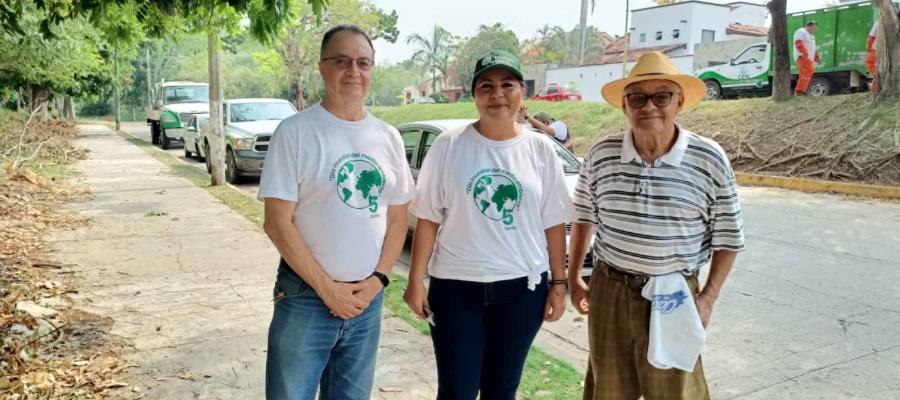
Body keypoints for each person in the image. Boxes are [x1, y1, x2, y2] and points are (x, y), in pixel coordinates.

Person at [567, 51, 745, 400]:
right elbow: (584, 215)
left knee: (675, 391)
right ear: (625, 106)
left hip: (673, 294)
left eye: (662, 96)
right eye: (637, 97)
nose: (649, 106)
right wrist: (574, 277)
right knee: (608, 389)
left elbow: (729, 238)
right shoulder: (602, 154)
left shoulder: (708, 158)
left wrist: (707, 298)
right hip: (610, 289)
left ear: (678, 103)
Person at [403, 49, 574, 399]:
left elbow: (554, 223)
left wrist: (559, 283)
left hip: (522, 292)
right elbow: (428, 219)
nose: (497, 94)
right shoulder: (449, 146)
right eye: (486, 86)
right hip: (455, 289)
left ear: (521, 92)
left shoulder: (541, 150)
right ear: (475, 94)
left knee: (502, 390)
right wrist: (415, 280)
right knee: (457, 390)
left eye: (507, 84)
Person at [258, 24, 415, 400]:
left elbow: (396, 220)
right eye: (342, 61)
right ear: (322, 67)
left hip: (367, 299)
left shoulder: (388, 137)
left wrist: (378, 280)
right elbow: (277, 224)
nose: (353, 71)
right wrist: (327, 290)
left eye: (363, 63)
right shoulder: (295, 132)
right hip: (304, 299)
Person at [793, 21, 820, 96]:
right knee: (809, 70)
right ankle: (800, 90)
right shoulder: (801, 32)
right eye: (814, 27)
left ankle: (800, 91)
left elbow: (812, 48)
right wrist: (804, 52)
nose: (815, 29)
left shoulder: (812, 36)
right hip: (802, 56)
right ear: (809, 26)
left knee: (804, 73)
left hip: (809, 58)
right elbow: (798, 42)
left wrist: (816, 57)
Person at [866, 19, 880, 92]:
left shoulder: (879, 22)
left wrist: (868, 47)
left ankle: (875, 87)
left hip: (877, 48)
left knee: (869, 62)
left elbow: (871, 36)